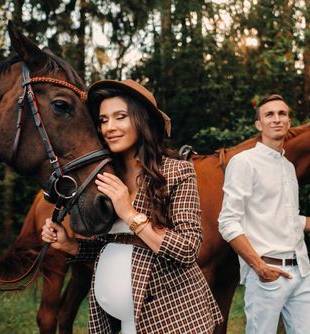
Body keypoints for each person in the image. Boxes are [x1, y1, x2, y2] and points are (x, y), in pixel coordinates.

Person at [41, 79, 223, 333]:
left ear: (142, 120)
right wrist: (70, 245)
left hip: (172, 320)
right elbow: (114, 245)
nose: (109, 128)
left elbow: (188, 248)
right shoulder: (105, 176)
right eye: (103, 120)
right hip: (118, 323)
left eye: (120, 117)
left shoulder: (177, 171)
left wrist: (129, 212)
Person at [218, 94, 310, 334]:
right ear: (258, 125)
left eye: (282, 114)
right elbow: (228, 222)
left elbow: (293, 222)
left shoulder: (288, 167)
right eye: (269, 114)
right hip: (267, 276)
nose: (276, 119)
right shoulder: (243, 163)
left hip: (301, 272)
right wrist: (258, 266)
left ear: (289, 122)